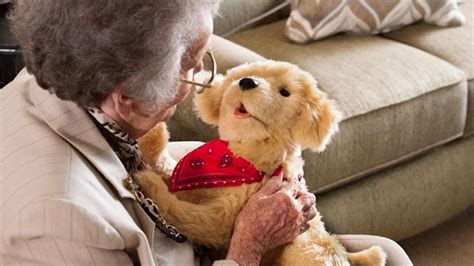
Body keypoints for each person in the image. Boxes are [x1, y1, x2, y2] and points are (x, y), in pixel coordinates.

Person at [0, 1, 412, 265]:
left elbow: (126, 163)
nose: (203, 79)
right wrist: (247, 247)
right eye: (193, 65)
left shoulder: (54, 76)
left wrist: (240, 173)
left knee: (387, 254)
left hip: (193, 239)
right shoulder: (61, 221)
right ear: (126, 96)